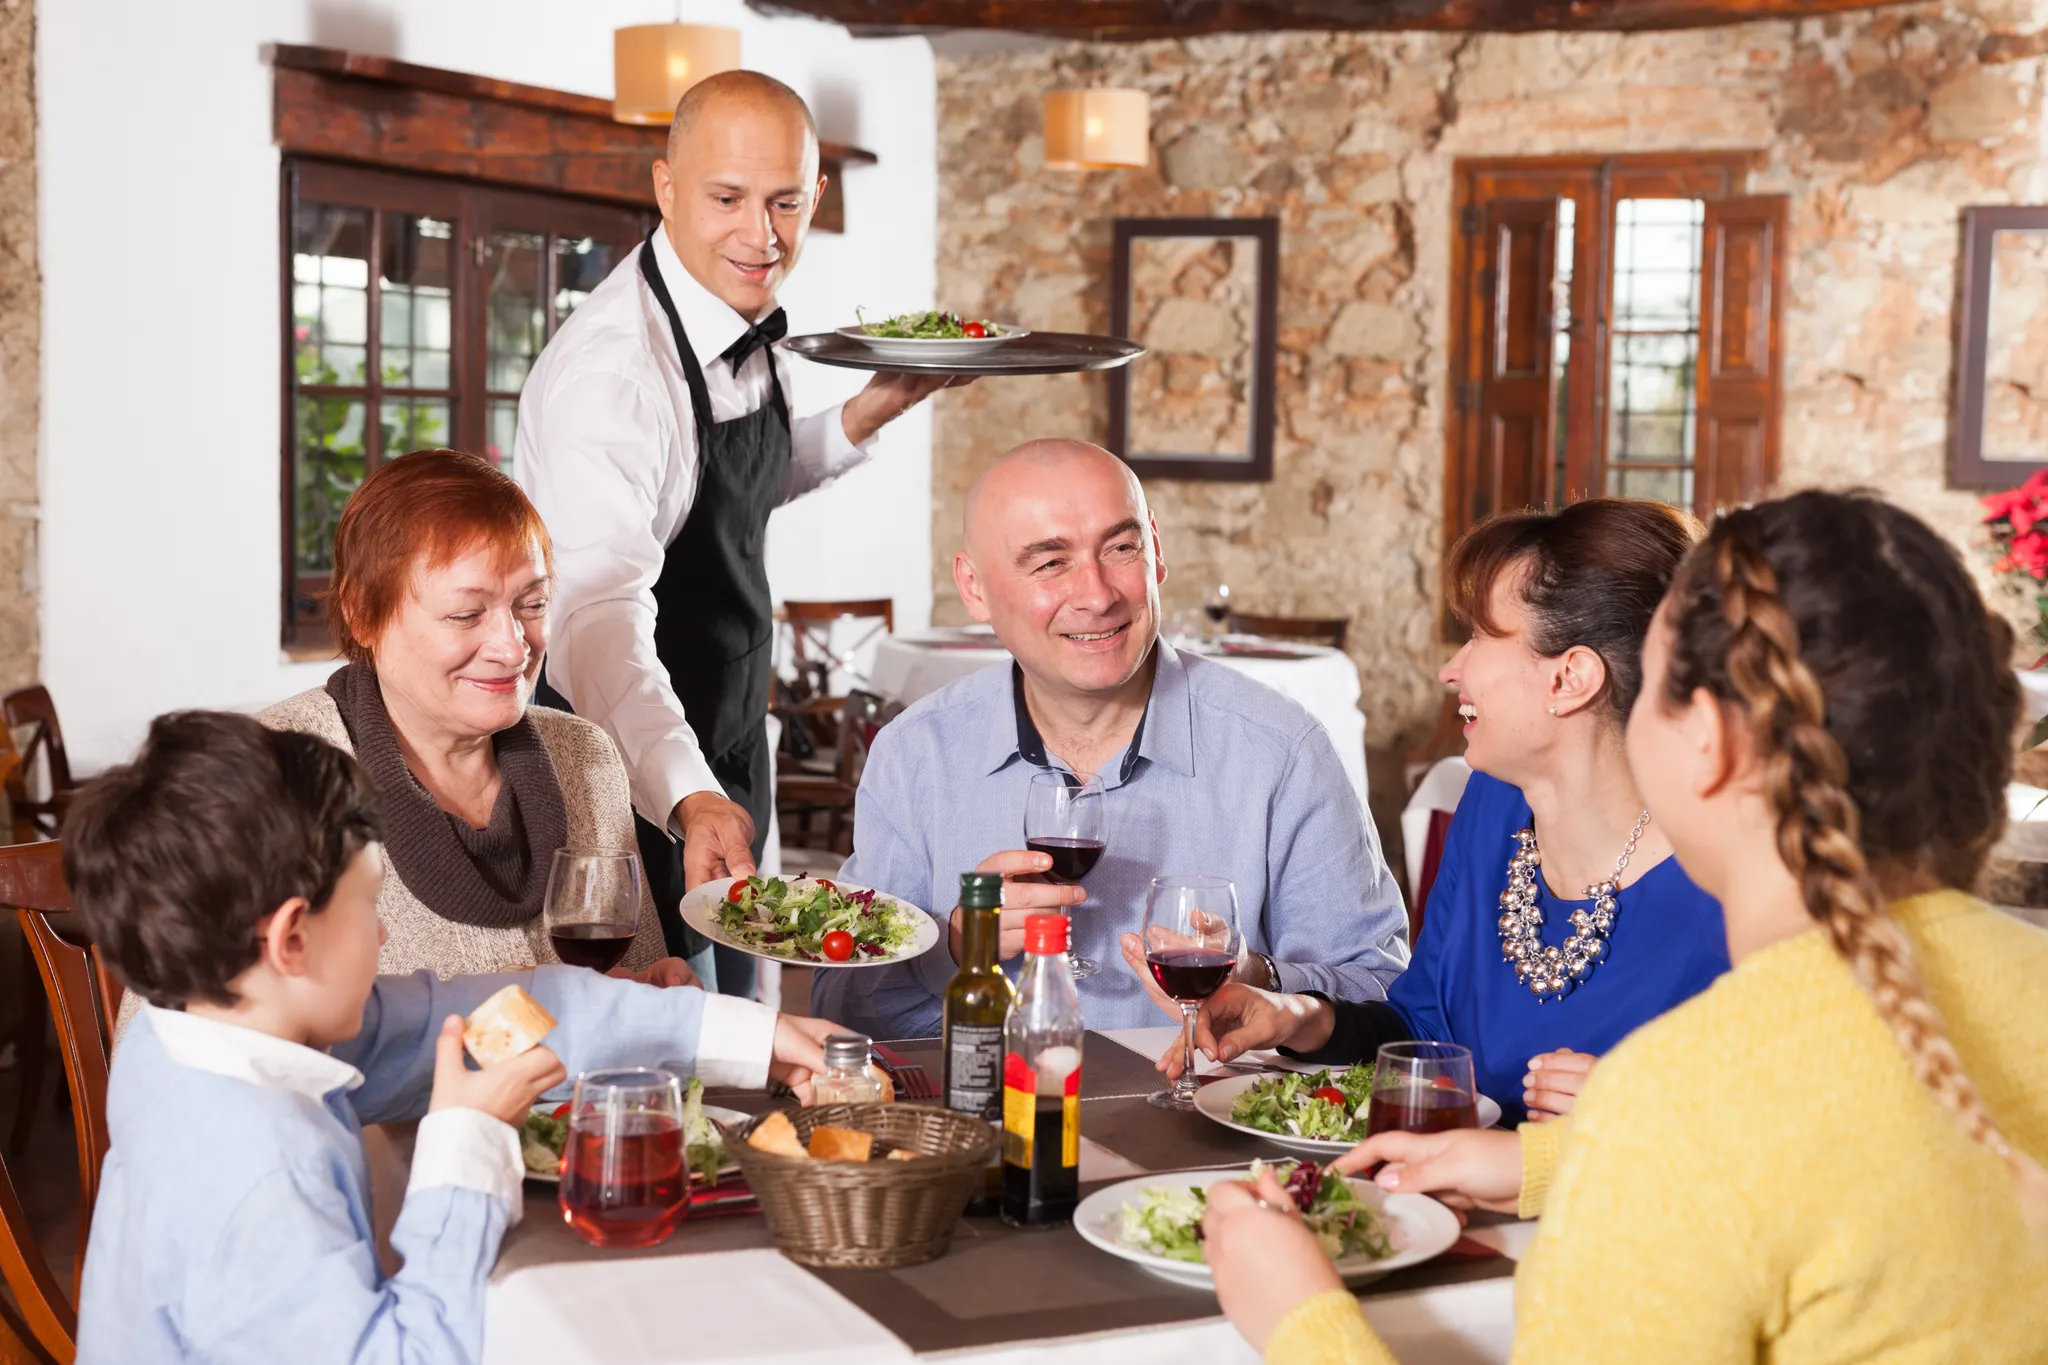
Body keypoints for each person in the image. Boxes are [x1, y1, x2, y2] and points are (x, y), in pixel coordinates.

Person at [1201, 490, 2048, 1364]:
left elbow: (1720, 1153)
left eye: (1657, 696)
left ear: (1709, 742)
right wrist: (1548, 1160)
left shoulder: (1671, 1105)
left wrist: (1299, 1316)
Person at [70, 710, 840, 1363]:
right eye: (367, 904)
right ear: (291, 940)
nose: (381, 934)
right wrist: (465, 1138)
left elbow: (497, 1010)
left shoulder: (198, 1028)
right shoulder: (255, 1172)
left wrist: (751, 1033)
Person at [514, 70, 957, 998]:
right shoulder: (614, 376)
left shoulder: (738, 321)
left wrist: (875, 407)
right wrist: (686, 792)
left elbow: (739, 487)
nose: (761, 236)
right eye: (727, 199)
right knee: (667, 1035)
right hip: (622, 760)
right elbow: (593, 622)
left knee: (744, 1021)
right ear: (666, 188)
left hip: (728, 733)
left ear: (816, 196)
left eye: (784, 202)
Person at [813, 438, 1409, 1038]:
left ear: (1157, 553)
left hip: (1201, 1101)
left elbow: (1388, 999)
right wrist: (953, 946)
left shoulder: (1283, 752)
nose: (1097, 596)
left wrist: (1259, 977)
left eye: (1122, 549)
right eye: (1050, 563)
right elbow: (839, 1010)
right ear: (974, 587)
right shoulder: (914, 755)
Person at [1157, 499, 1727, 1124]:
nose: (1450, 670)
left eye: (1479, 636)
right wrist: (1300, 1017)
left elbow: (1787, 1135)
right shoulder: (1494, 805)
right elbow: (1421, 1025)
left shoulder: (1732, 883)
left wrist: (1650, 1113)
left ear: (1570, 679)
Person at [261, 450, 690, 987]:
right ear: (362, 613)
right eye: (466, 614)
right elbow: (202, 1024)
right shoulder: (271, 774)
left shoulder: (586, 757)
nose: (513, 649)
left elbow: (627, 978)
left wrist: (650, 992)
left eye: (533, 604)